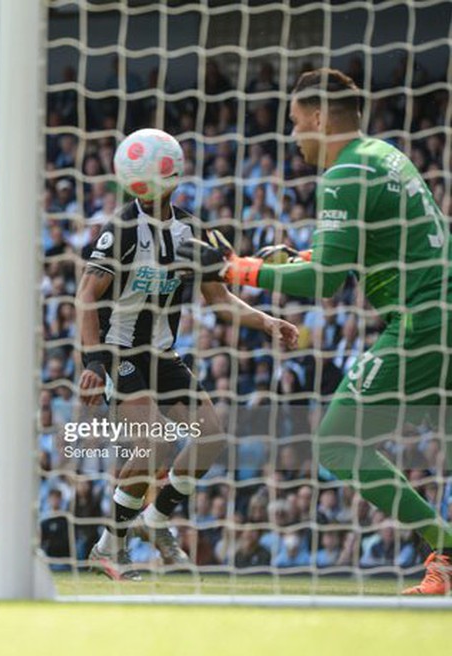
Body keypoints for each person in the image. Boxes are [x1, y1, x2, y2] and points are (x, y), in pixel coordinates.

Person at [189, 68, 452, 595]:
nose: (293, 135)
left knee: (337, 443)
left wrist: (238, 271)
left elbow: (326, 282)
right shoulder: (384, 155)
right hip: (438, 309)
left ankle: (444, 548)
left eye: (294, 122)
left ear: (316, 116)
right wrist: (303, 254)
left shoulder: (346, 173)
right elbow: (367, 247)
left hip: (423, 321)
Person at [79, 129, 298, 580]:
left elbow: (220, 301)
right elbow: (86, 296)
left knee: (211, 436)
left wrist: (267, 321)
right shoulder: (120, 229)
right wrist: (93, 365)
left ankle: (156, 523)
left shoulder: (192, 233)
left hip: (162, 354)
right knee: (155, 441)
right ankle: (110, 547)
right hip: (121, 352)